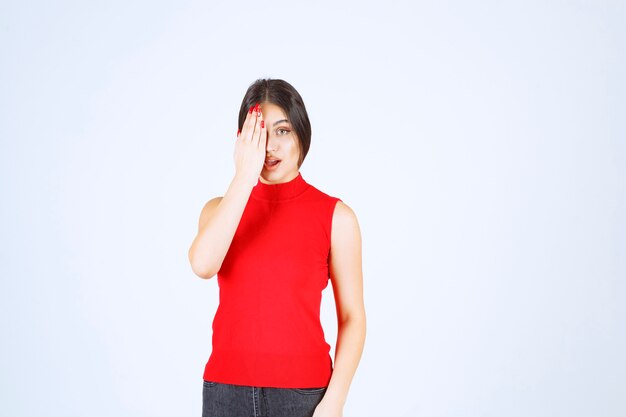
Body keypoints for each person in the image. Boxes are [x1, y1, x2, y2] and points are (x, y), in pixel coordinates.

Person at [188, 78, 366, 417]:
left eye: (282, 131)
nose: (270, 145)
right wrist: (244, 177)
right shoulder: (219, 210)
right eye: (259, 132)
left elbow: (352, 316)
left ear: (301, 133)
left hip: (304, 396)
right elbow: (202, 265)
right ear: (242, 140)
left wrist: (335, 400)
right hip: (225, 393)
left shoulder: (336, 218)